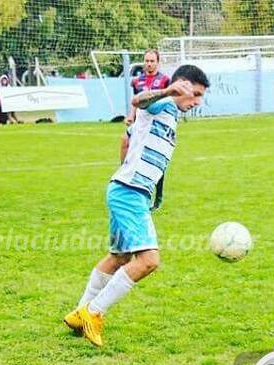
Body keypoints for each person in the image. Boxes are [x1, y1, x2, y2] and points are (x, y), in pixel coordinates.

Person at [64, 65, 210, 347]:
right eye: (196, 94)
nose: (198, 102)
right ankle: (93, 313)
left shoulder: (171, 116)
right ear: (181, 85)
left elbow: (129, 140)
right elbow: (138, 100)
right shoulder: (162, 103)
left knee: (118, 257)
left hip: (129, 190)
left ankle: (78, 313)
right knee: (149, 261)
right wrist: (168, 90)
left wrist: (149, 187)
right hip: (128, 193)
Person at [121, 49, 170, 162]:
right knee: (125, 141)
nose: (149, 64)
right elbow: (135, 101)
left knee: (151, 152)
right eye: (147, 61)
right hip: (141, 121)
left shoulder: (165, 80)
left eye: (152, 61)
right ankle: (124, 169)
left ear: (158, 62)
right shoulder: (137, 81)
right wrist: (131, 116)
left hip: (156, 121)